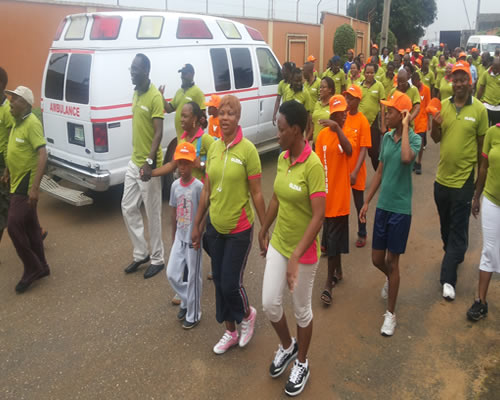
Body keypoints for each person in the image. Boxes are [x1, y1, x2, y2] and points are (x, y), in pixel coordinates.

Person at [259, 100, 325, 397]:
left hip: (304, 252)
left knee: (301, 311)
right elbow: (276, 197)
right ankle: (287, 346)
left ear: (296, 130)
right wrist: (264, 228)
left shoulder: (313, 166)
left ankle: (302, 362)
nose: (277, 134)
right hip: (280, 242)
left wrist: (297, 255)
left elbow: (319, 216)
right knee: (270, 303)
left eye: (281, 129)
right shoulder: (283, 158)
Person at [191, 95, 266, 354]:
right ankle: (230, 331)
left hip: (239, 228)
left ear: (238, 117)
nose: (225, 117)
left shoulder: (248, 151)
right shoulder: (213, 148)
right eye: (222, 112)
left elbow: (257, 193)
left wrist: (265, 229)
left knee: (230, 283)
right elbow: (206, 190)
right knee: (219, 282)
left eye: (230, 113)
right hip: (215, 227)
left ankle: (247, 314)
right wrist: (197, 225)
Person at [360, 91, 422, 336]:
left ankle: (390, 315)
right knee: (377, 259)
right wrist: (367, 202)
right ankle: (391, 279)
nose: (385, 114)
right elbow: (380, 172)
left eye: (391, 111)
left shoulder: (414, 140)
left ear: (403, 115)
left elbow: (406, 158)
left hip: (400, 210)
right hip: (383, 207)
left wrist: (406, 127)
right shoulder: (386, 138)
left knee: (392, 262)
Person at [431, 61, 488, 301]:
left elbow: (482, 153)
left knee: (457, 231)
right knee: (446, 229)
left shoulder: (479, 111)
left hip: (464, 181)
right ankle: (453, 254)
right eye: (456, 80)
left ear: (470, 82)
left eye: (463, 79)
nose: (459, 84)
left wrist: (478, 189)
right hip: (441, 180)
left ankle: (448, 279)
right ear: (451, 82)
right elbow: (435, 139)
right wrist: (435, 126)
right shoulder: (443, 106)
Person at [122, 54, 165, 279]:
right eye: (131, 68)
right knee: (128, 207)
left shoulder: (154, 97)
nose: (132, 72)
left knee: (152, 213)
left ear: (146, 71)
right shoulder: (136, 93)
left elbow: (158, 132)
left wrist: (149, 162)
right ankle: (141, 253)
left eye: (135, 69)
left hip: (149, 165)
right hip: (134, 161)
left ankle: (158, 259)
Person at [3, 86, 49, 293]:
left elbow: (42, 154)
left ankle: (32, 267)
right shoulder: (17, 121)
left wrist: (35, 188)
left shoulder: (32, 123)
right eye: (11, 98)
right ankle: (42, 266)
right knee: (31, 226)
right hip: (16, 180)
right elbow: (15, 149)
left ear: (26, 104)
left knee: (13, 225)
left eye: (15, 99)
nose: (11, 102)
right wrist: (8, 170)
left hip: (26, 184)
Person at [161, 142, 204, 329]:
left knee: (193, 277)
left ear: (193, 164)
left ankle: (194, 314)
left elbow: (204, 212)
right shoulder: (175, 186)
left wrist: (199, 232)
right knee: (172, 274)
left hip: (193, 240)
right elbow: (173, 213)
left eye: (186, 163)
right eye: (180, 163)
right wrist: (173, 237)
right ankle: (188, 300)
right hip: (180, 237)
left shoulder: (199, 187)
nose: (182, 168)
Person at [315, 95, 353, 305]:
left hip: (340, 199)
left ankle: (328, 284)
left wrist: (338, 129)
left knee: (331, 241)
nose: (344, 116)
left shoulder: (346, 134)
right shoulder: (321, 136)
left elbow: (349, 150)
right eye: (340, 113)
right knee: (332, 239)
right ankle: (338, 271)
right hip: (325, 198)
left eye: (345, 112)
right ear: (332, 114)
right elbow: (317, 166)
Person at [467, 122, 500, 321]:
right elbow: (484, 167)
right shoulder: (493, 132)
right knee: (488, 249)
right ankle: (481, 301)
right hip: (492, 201)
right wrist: (476, 196)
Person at [343, 85, 372, 248]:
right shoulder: (343, 118)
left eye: (351, 98)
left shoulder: (363, 121)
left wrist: (354, 172)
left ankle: (362, 232)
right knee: (341, 204)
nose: (347, 100)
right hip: (342, 170)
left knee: (359, 203)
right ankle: (339, 234)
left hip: (356, 171)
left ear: (358, 101)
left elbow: (363, 149)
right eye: (346, 97)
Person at [160, 63, 206, 141]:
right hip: (180, 139)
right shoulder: (179, 92)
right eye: (181, 74)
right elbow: (169, 109)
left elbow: (203, 118)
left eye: (185, 74)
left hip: (191, 140)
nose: (182, 76)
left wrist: (196, 138)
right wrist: (161, 96)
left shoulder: (197, 92)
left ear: (192, 74)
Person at [359, 63, 386, 170]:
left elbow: (383, 106)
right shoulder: (359, 86)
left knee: (374, 152)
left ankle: (379, 174)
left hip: (374, 123)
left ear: (375, 73)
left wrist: (383, 125)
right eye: (367, 72)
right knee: (359, 151)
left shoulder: (379, 86)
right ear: (364, 73)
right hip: (361, 124)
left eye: (372, 73)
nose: (369, 75)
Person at [0, 67, 14, 245]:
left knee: (5, 205)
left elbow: (11, 141)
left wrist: (8, 168)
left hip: (4, 163)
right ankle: (36, 230)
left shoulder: (7, 110)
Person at [412, 72, 431, 175]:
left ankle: (419, 163)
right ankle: (413, 162)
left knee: (420, 142)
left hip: (422, 120)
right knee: (412, 143)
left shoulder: (426, 89)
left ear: (419, 80)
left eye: (416, 82)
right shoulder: (412, 90)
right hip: (413, 120)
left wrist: (429, 122)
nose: (414, 85)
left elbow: (428, 105)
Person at [309, 76, 335, 145]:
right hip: (315, 145)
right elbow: (313, 125)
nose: (320, 89)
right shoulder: (317, 104)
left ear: (330, 89)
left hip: (328, 145)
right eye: (320, 87)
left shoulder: (334, 105)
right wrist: (306, 139)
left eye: (323, 87)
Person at [476, 57, 500, 126]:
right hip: (487, 105)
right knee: (485, 126)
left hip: (498, 107)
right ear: (492, 65)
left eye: (497, 68)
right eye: (494, 68)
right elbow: (481, 88)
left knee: (496, 128)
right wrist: (477, 101)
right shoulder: (486, 74)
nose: (495, 70)